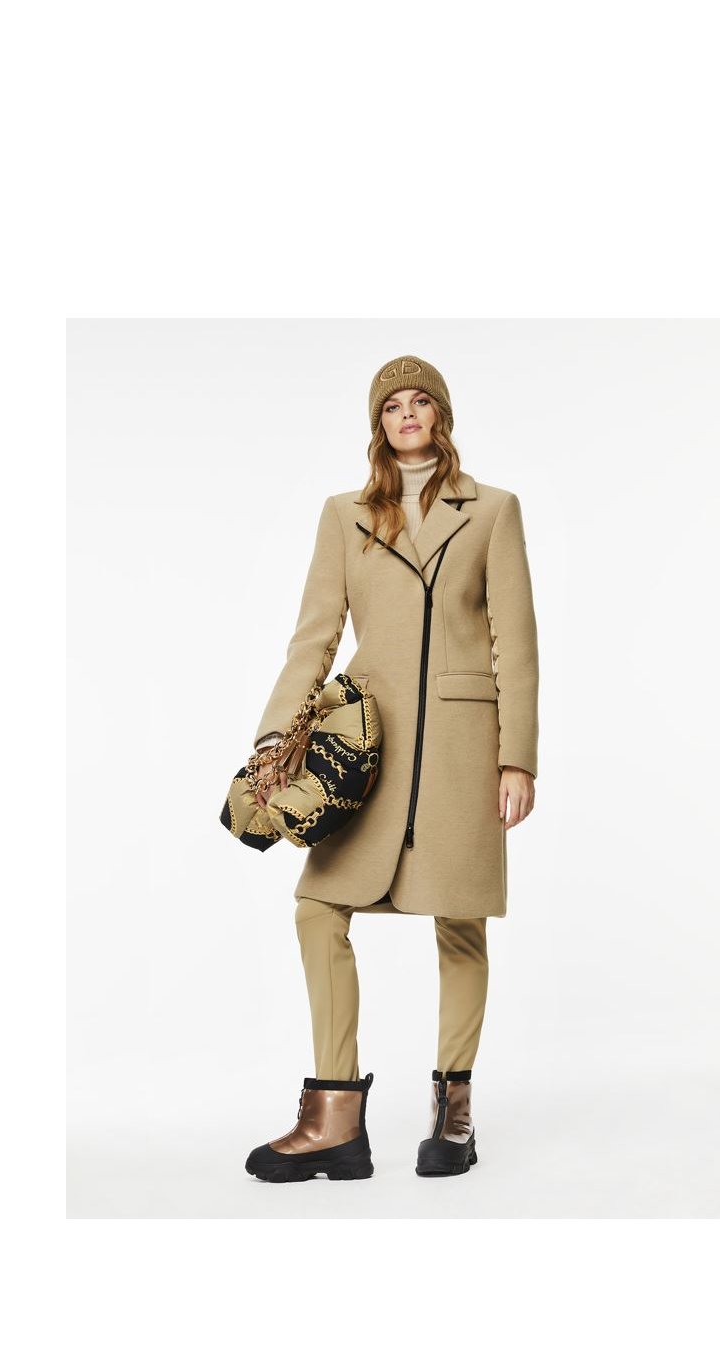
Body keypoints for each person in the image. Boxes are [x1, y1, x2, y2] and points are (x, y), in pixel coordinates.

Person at [243, 354, 539, 1182]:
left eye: (421, 402)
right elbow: (315, 636)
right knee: (318, 908)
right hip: (364, 746)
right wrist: (274, 741)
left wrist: (517, 757)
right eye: (391, 406)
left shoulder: (493, 510)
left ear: (440, 416)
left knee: (461, 920)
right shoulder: (344, 515)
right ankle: (335, 1118)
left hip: (462, 746)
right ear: (378, 424)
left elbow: (515, 641)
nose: (407, 414)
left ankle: (453, 1114)